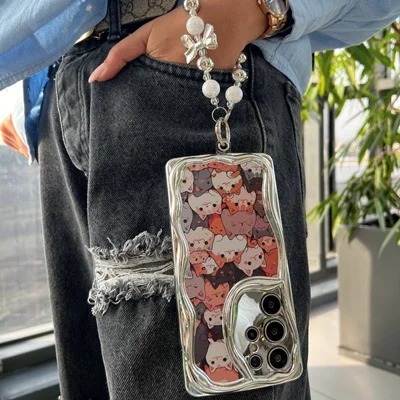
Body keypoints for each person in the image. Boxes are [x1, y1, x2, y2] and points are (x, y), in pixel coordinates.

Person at [1, 0, 399, 399]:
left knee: (235, 361)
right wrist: (29, 95)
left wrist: (257, 8)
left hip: (200, 69)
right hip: (64, 84)